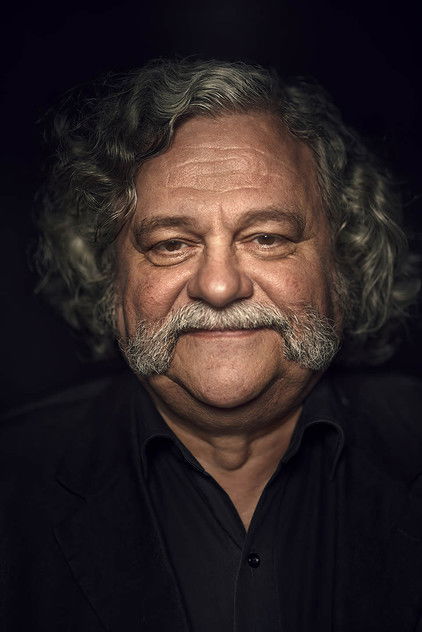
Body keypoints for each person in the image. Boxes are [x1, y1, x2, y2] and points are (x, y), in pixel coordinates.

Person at [0, 59, 421, 632]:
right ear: (109, 278)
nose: (219, 287)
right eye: (171, 244)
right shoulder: (13, 481)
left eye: (266, 237)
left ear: (343, 264)